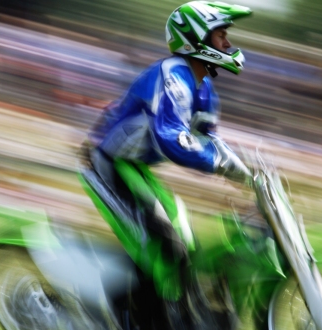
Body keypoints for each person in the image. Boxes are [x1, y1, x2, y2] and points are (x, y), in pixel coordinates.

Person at [80, 2, 253, 302]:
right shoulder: (172, 75)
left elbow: (210, 140)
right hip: (106, 163)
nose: (227, 43)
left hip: (133, 167)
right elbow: (174, 140)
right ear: (197, 38)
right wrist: (223, 164)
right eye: (220, 35)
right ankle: (124, 318)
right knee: (162, 243)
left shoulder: (204, 88)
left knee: (186, 245)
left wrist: (249, 174)